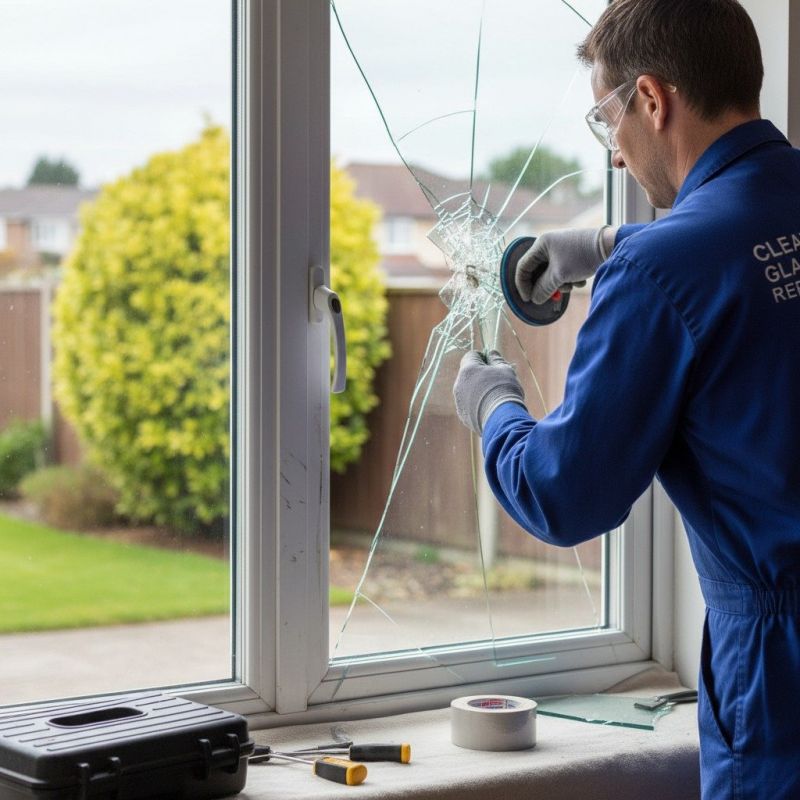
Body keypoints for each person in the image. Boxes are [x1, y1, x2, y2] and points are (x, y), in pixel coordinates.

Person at [452, 1, 800, 797]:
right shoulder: (683, 255)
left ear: (652, 99)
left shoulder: (660, 278)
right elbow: (750, 243)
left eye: (608, 117)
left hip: (782, 673)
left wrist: (493, 404)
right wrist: (612, 243)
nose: (613, 153)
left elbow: (564, 492)